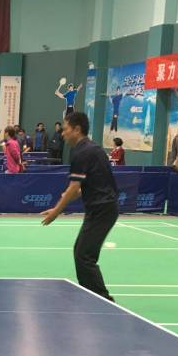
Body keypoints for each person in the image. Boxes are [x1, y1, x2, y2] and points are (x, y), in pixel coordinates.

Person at [40, 112, 119, 301]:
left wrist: (56, 212)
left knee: (84, 256)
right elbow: (90, 185)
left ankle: (103, 300)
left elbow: (74, 187)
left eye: (65, 129)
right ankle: (93, 297)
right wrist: (66, 199)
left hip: (102, 209)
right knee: (82, 253)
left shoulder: (82, 152)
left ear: (77, 129)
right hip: (101, 208)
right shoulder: (93, 149)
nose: (62, 134)